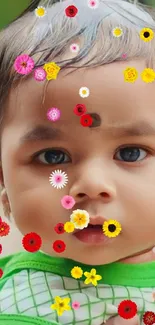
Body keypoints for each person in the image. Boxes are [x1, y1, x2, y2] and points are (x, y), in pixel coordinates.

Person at [0, 0, 155, 324]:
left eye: (131, 153)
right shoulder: (21, 306)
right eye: (53, 157)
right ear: (4, 179)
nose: (93, 186)